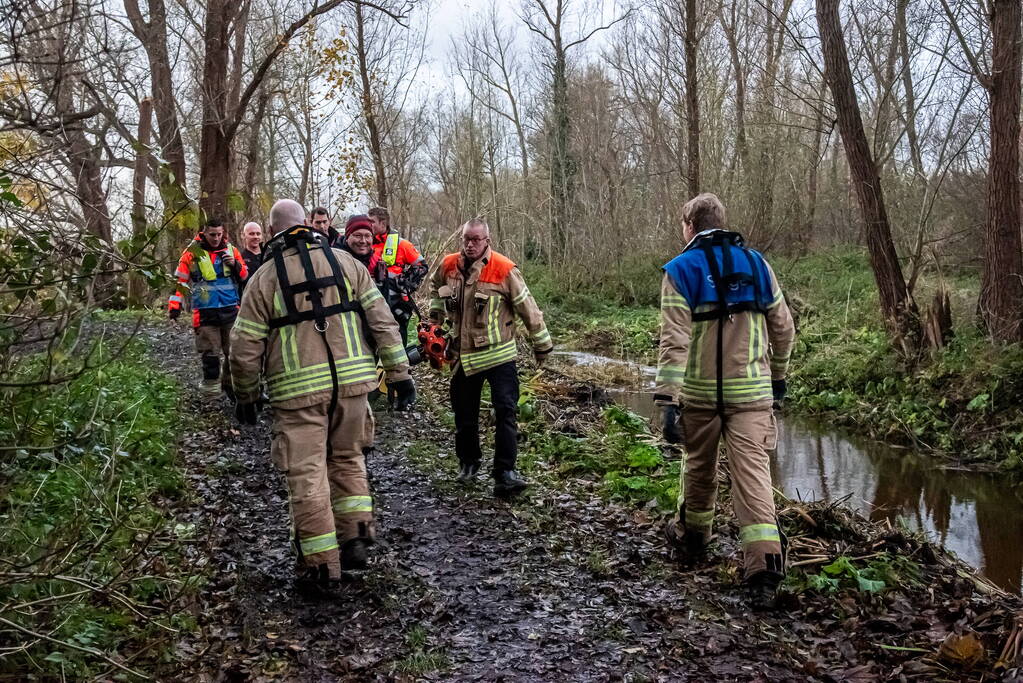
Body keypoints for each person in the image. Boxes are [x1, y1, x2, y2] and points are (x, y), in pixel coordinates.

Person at [230, 199, 415, 595]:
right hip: (353, 387)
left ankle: (320, 568)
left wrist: (245, 395)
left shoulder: (263, 279)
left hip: (298, 396)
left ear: (273, 230)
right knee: (349, 459)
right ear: (307, 227)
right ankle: (357, 540)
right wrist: (400, 375)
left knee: (308, 474)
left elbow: (244, 346)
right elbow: (383, 321)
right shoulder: (346, 264)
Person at [654, 192, 795, 610]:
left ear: (689, 225)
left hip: (698, 395)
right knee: (752, 478)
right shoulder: (757, 265)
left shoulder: (680, 270)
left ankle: (693, 538)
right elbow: (784, 329)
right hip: (751, 395)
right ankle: (764, 567)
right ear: (723, 221)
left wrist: (667, 400)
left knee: (699, 465)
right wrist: (779, 377)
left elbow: (674, 343)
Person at [428, 218, 552, 496]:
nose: (470, 245)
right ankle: (468, 463)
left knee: (506, 412)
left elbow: (528, 309)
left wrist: (542, 345)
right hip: (462, 356)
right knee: (464, 414)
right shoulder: (449, 265)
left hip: (499, 355)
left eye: (476, 240)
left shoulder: (505, 270)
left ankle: (505, 472)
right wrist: (435, 321)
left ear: (487, 241)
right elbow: (436, 288)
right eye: (466, 239)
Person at [168, 218, 248, 399]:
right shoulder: (191, 254)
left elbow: (245, 276)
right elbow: (179, 283)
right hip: (204, 313)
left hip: (231, 310)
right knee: (210, 355)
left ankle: (232, 389)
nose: (216, 238)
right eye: (212, 234)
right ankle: (211, 398)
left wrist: (234, 265)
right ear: (204, 233)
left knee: (234, 354)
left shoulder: (231, 250)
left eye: (219, 234)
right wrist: (174, 309)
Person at [368, 206, 428, 345]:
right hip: (371, 301)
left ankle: (402, 365)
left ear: (383, 223)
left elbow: (422, 266)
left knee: (398, 340)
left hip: (395, 303)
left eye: (372, 221)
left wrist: (405, 284)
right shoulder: (365, 243)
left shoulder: (402, 244)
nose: (368, 224)